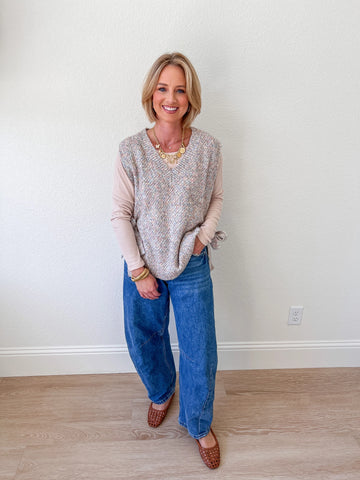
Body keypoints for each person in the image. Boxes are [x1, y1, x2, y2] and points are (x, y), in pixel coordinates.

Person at [111, 52, 224, 469]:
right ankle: (161, 391)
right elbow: (119, 214)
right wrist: (138, 270)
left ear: (190, 96)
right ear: (151, 94)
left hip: (191, 261)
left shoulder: (209, 148)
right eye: (163, 88)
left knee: (200, 348)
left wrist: (202, 240)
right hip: (142, 261)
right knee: (143, 337)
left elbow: (216, 199)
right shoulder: (130, 150)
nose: (170, 98)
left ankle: (198, 422)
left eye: (179, 89)